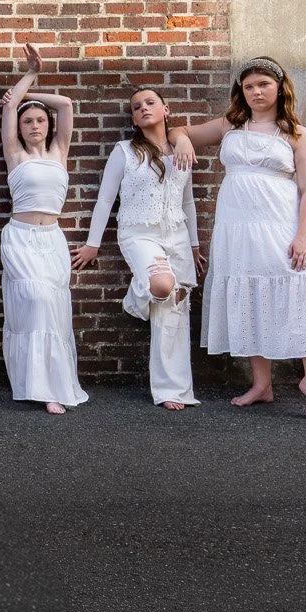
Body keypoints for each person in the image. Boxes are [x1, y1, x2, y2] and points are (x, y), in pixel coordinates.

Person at [172, 56, 306, 421]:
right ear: (240, 92)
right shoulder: (233, 125)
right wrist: (182, 140)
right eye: (248, 86)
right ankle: (262, 385)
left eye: (263, 84)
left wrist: (304, 236)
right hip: (238, 230)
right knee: (249, 297)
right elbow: (179, 132)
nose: (256, 91)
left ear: (280, 88)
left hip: (280, 225)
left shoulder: (296, 133)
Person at [73, 87, 205, 410]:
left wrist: (195, 245)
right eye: (136, 107)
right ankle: (136, 297)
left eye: (150, 102)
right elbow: (106, 198)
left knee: (175, 309)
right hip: (139, 234)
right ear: (133, 119)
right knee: (162, 287)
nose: (144, 108)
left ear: (166, 109)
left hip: (176, 235)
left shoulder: (180, 149)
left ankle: (172, 390)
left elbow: (187, 201)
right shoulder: (124, 151)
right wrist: (93, 244)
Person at [0, 45, 88, 413]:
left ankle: (53, 388)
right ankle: (34, 384)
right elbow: (7, 107)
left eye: (39, 120)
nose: (34, 125)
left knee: (53, 309)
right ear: (19, 129)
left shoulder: (59, 152)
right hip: (20, 238)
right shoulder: (14, 154)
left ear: (48, 125)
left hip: (51, 240)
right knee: (34, 302)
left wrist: (30, 94)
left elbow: (65, 103)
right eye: (27, 121)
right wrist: (27, 78)